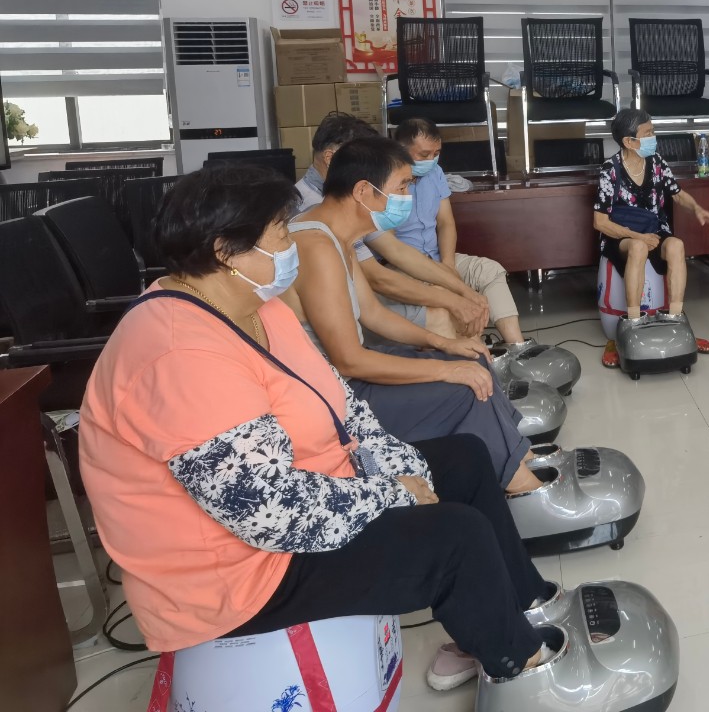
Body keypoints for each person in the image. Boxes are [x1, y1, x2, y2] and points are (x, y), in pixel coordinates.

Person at [78, 164, 561, 692]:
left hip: (311, 490)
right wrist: (393, 494)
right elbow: (266, 513)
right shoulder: (179, 355)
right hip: (239, 573)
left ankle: (514, 605)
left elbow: (341, 404)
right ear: (226, 251)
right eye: (280, 233)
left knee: (463, 457)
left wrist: (399, 472)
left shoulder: (252, 306)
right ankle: (519, 663)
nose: (292, 245)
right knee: (456, 538)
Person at [284, 136, 545, 495]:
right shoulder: (316, 247)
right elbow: (349, 361)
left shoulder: (335, 235)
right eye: (402, 186)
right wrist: (445, 369)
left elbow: (373, 314)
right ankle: (520, 487)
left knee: (472, 359)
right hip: (336, 399)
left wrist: (443, 344)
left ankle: (515, 457)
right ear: (363, 191)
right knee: (464, 389)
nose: (408, 195)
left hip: (350, 379)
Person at [296, 111, 489, 339]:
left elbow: (397, 250)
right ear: (331, 158)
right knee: (440, 314)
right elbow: (376, 279)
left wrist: (460, 289)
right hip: (340, 319)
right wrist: (452, 300)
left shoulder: (350, 198)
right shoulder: (313, 211)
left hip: (362, 305)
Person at [593, 108, 709, 368]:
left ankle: (675, 319)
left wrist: (697, 209)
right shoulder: (610, 169)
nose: (654, 137)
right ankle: (632, 323)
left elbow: (677, 193)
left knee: (676, 246)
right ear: (629, 141)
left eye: (653, 131)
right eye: (648, 133)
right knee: (639, 248)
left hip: (654, 230)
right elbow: (600, 222)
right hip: (623, 236)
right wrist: (638, 236)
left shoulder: (656, 162)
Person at [390, 116, 528, 348]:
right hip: (403, 265)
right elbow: (390, 246)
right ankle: (476, 353)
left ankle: (517, 348)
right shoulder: (386, 179)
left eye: (436, 153)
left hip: (436, 257)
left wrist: (448, 265)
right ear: (400, 149)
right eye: (424, 154)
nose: (431, 160)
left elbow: (446, 223)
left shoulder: (435, 173)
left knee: (490, 270)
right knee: (443, 293)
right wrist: (440, 278)